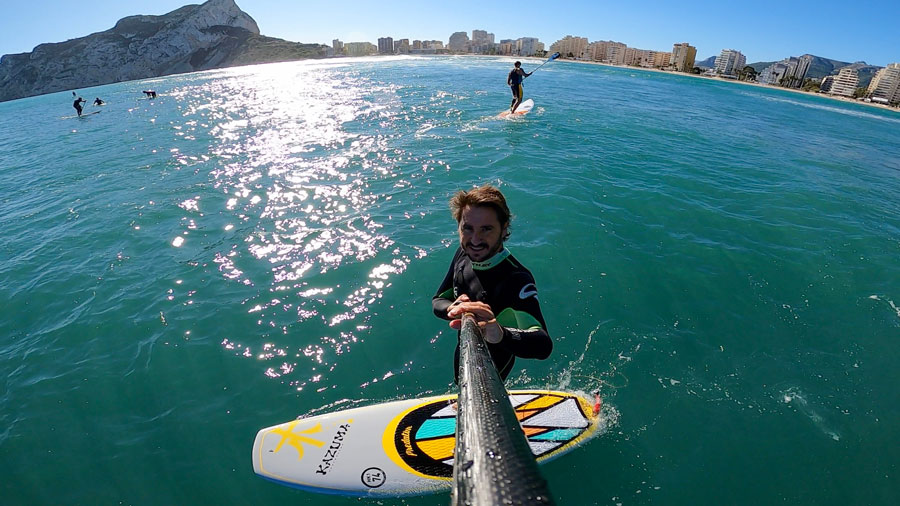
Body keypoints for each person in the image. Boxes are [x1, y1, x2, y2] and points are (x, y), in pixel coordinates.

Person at [432, 184, 552, 382]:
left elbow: (543, 345)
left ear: (504, 229)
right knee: (460, 386)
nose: (475, 240)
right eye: (467, 228)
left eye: (486, 229)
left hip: (493, 371)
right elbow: (438, 301)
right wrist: (453, 308)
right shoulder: (463, 254)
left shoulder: (516, 278)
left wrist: (500, 335)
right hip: (464, 355)